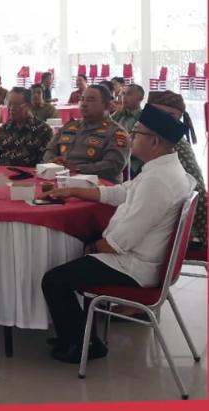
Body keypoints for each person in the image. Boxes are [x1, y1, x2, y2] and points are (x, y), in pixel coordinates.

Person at [41, 104, 195, 364]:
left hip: (135, 266)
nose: (132, 137)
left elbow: (120, 242)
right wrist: (74, 191)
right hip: (141, 256)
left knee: (54, 280)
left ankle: (83, 345)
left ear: (154, 142)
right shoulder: (162, 169)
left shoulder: (158, 181)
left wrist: (91, 248)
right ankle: (78, 334)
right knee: (79, 249)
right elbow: (121, 192)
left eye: (137, 133)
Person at [146, 90, 207, 251]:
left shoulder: (177, 145)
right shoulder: (146, 136)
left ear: (178, 118)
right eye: (156, 114)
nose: (161, 120)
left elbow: (198, 191)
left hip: (176, 226)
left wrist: (203, 235)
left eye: (169, 116)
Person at [43, 84, 130, 183]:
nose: (84, 104)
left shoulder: (116, 133)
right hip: (62, 180)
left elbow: (112, 166)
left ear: (107, 106)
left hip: (97, 186)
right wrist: (53, 162)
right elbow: (50, 150)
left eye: (90, 100)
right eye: (82, 99)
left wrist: (77, 168)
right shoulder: (68, 127)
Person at [0, 87, 52, 167]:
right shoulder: (5, 128)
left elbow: (45, 165)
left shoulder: (43, 130)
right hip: (2, 173)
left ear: (29, 106)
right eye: (9, 104)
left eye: (17, 105)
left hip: (29, 174)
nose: (11, 108)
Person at [111, 83, 144, 177]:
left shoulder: (143, 117)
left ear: (140, 98)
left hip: (132, 163)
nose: (124, 97)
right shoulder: (119, 114)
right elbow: (105, 128)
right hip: (114, 156)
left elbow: (135, 144)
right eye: (124, 94)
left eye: (129, 94)